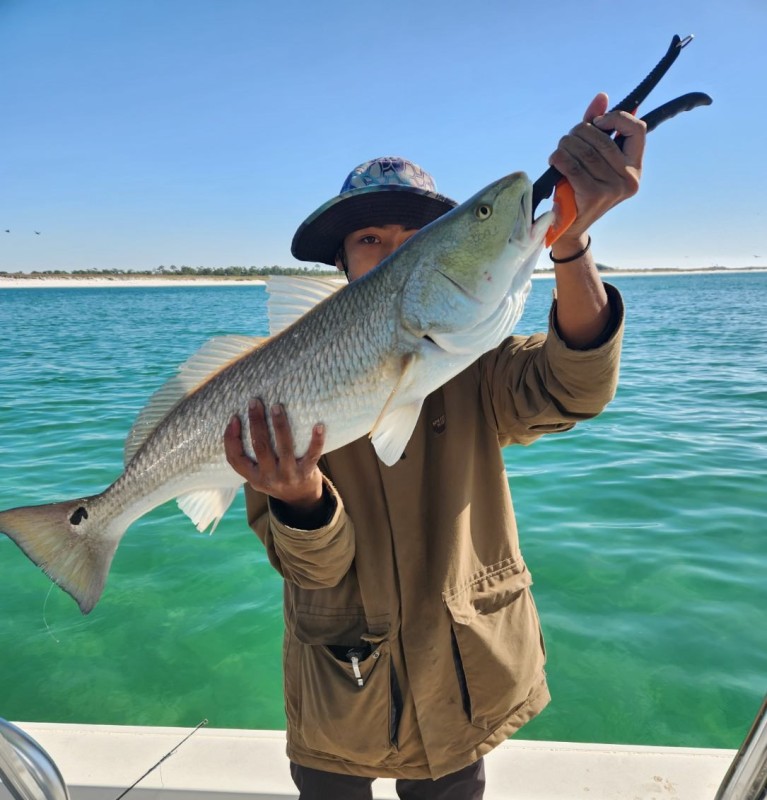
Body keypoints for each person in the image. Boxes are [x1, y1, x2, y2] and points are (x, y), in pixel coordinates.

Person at [223, 93, 645, 799]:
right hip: (340, 679)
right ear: (342, 265)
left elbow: (573, 388)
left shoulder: (474, 360)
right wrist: (298, 497)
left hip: (461, 677)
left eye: (416, 238)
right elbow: (310, 569)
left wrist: (568, 240)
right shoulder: (284, 390)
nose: (394, 253)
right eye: (369, 241)